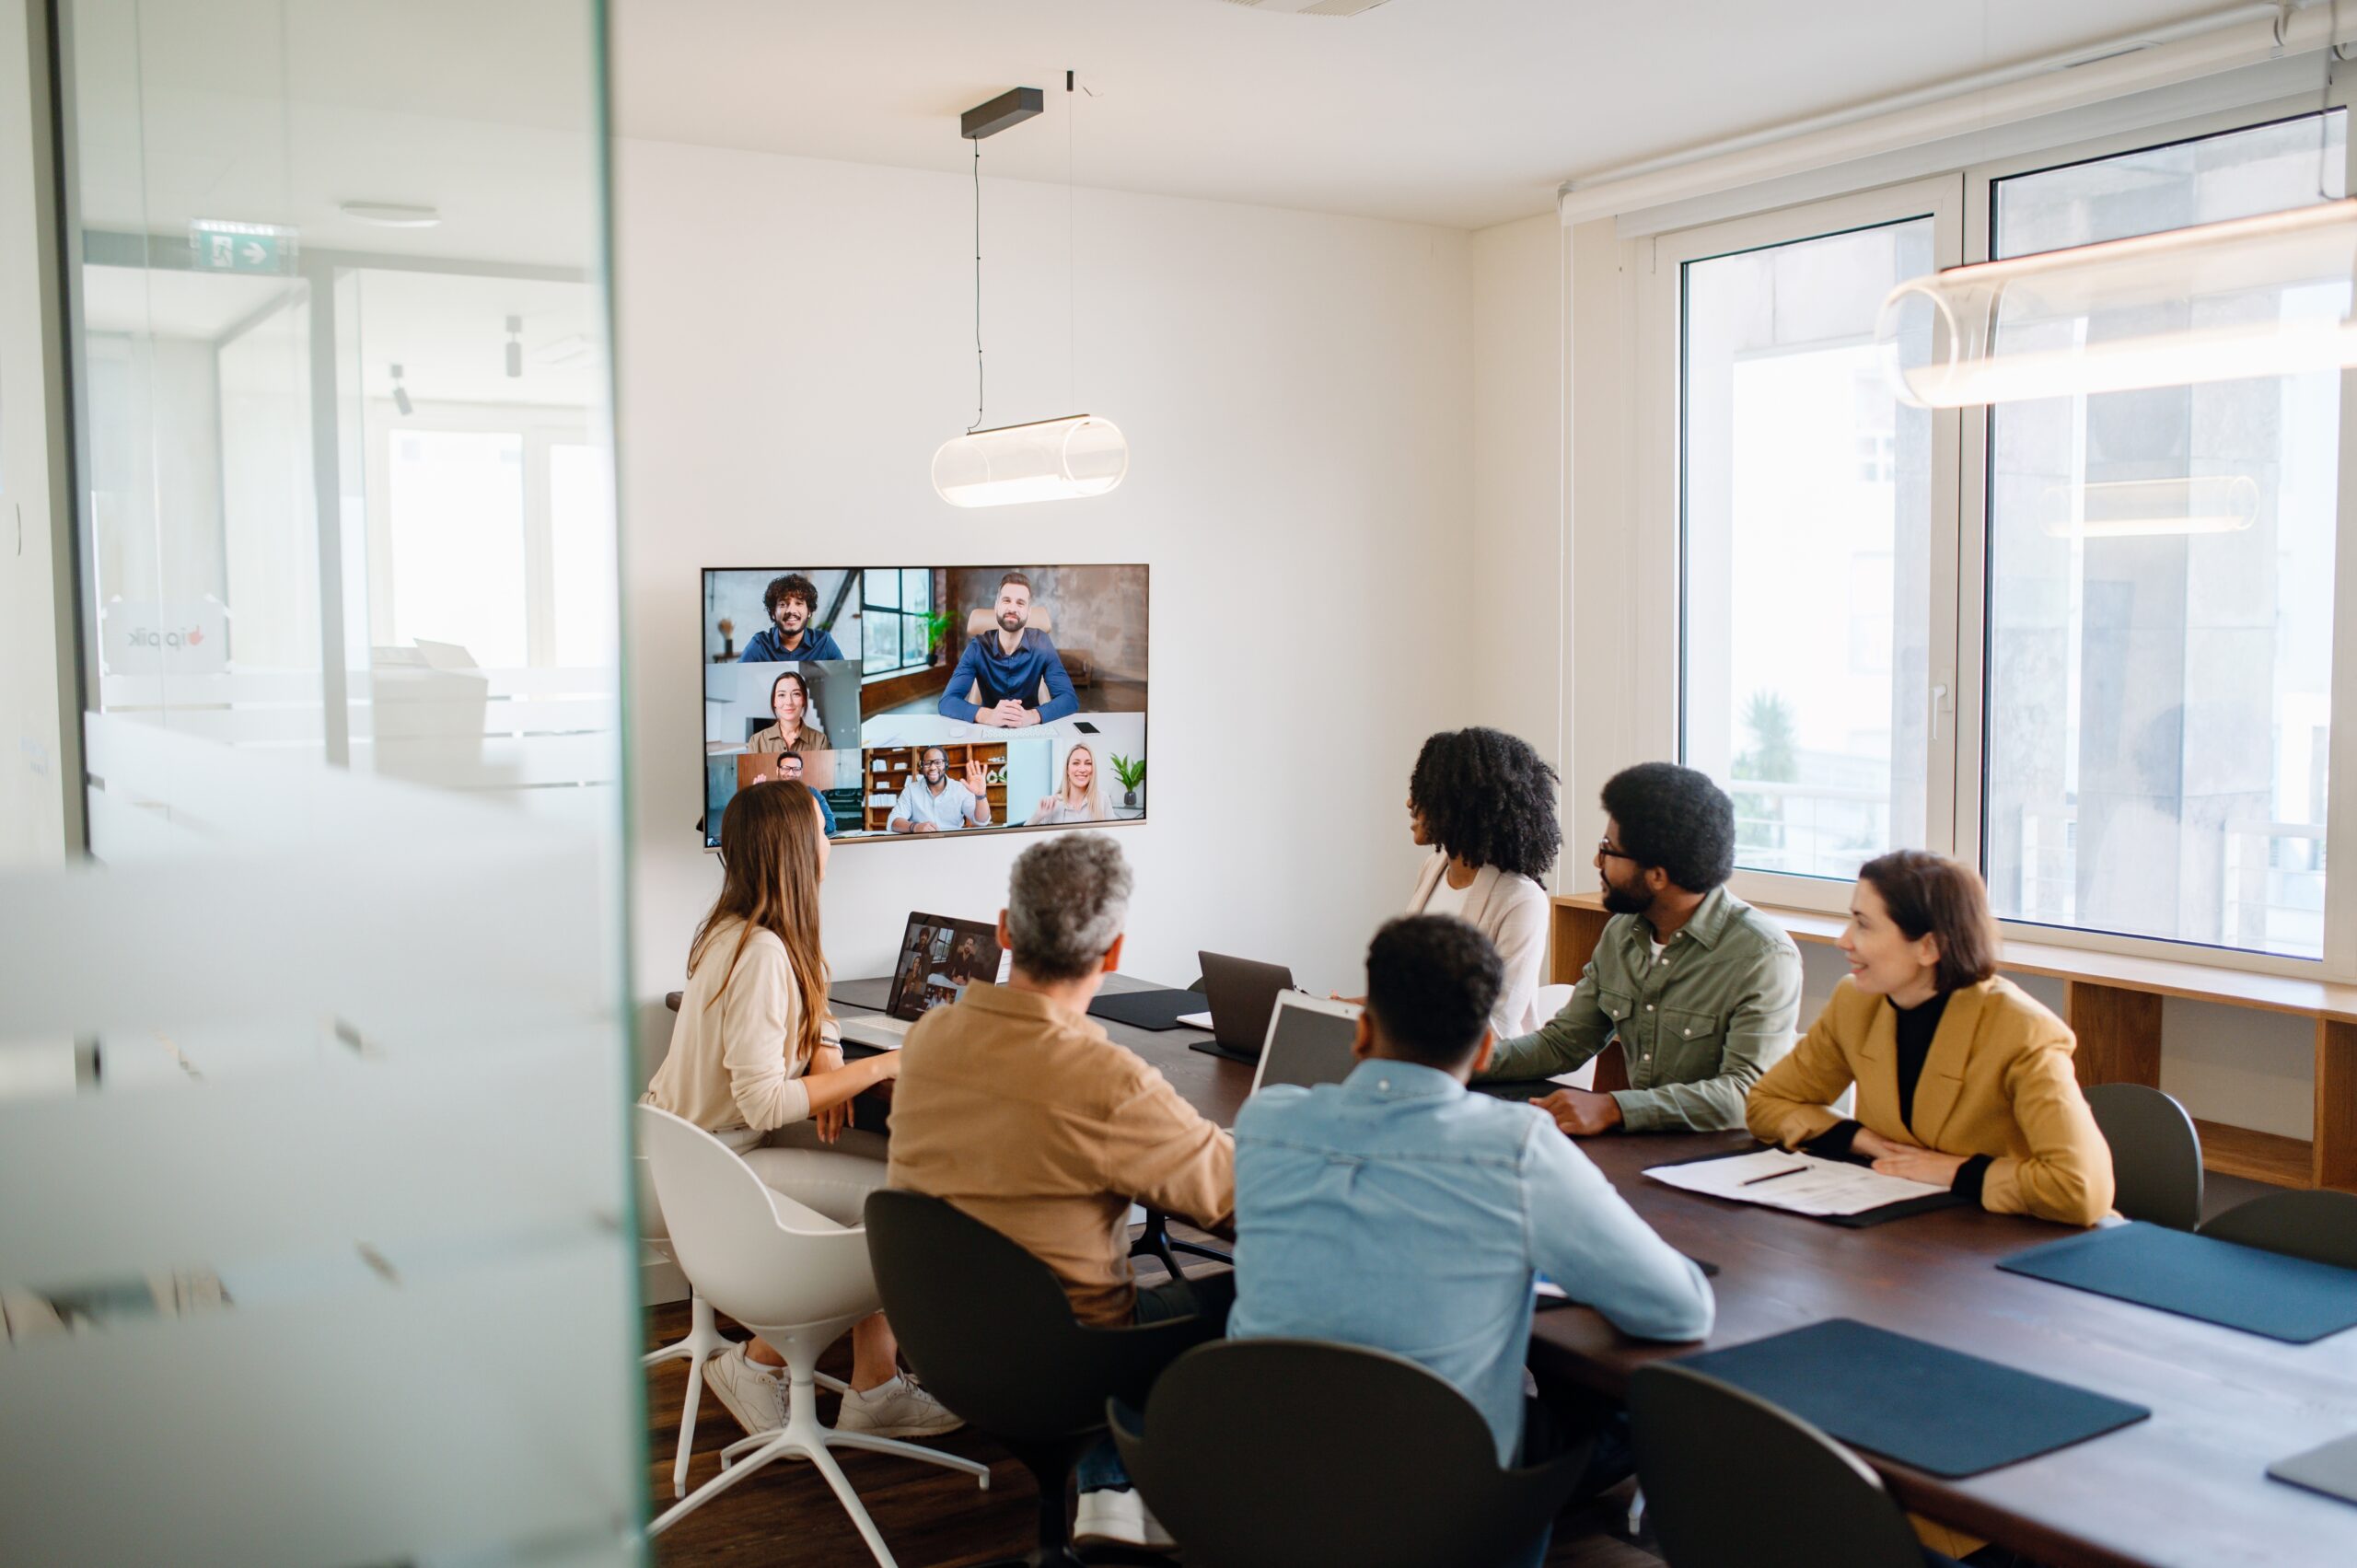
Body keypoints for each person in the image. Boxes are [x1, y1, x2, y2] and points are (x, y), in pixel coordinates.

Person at [1232, 915, 1714, 1568]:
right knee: (1631, 1415)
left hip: (1262, 1466)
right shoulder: (1517, 1147)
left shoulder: (1264, 1120)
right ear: (1487, 1049)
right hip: (1440, 1491)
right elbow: (1678, 1309)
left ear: (1363, 1028)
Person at [887, 834, 1233, 1551]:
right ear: (1114, 953)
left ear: (1005, 928)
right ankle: (1162, 1490)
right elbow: (1236, 1196)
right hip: (1063, 1360)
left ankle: (1112, 1486)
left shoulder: (927, 1039)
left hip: (939, 1342)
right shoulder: (1107, 1080)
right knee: (1239, 1288)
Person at [641, 780, 958, 1440]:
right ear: (794, 847)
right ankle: (760, 1365)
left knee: (906, 1169)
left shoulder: (750, 929)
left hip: (696, 1148)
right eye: (823, 830)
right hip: (715, 1161)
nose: (831, 843)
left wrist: (830, 1059)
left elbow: (815, 1012)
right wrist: (889, 1063)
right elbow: (761, 1100)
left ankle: (874, 1382)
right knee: (905, 1213)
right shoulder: (760, 952)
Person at [1747, 850, 2115, 1228]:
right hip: (1901, 1225)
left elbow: (2082, 1189)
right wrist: (1860, 1138)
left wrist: (1957, 1171)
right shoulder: (1856, 1001)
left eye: (1864, 925)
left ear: (1929, 947)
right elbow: (1767, 1103)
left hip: (2008, 1239)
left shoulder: (2024, 1030)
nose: (1844, 941)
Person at [1478, 761, 1802, 1137]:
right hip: (1642, 1147)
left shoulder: (1762, 955)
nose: (1597, 861)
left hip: (1721, 1160)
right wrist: (1469, 1062)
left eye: (1608, 850)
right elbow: (1565, 1043)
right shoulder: (1622, 931)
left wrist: (1615, 1106)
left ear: (1658, 876)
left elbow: (1745, 1095)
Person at [1400, 727, 1561, 1038]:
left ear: (1462, 804)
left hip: (1482, 1068)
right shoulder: (1433, 869)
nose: (1410, 802)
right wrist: (1350, 1008)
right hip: (1413, 1052)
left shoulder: (1521, 899)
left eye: (1424, 793)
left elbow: (1497, 1022)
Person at [936, 572, 1078, 726]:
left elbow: (1069, 699)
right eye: (1006, 600)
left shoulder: (1042, 642)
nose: (1012, 608)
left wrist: (1033, 716)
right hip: (988, 728)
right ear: (996, 606)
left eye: (1020, 603)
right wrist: (987, 715)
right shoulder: (977, 647)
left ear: (1028, 611)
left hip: (1029, 728)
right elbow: (947, 701)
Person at [739, 572, 845, 662]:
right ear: (773, 613)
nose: (791, 611)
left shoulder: (824, 642)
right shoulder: (759, 644)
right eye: (783, 604)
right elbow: (737, 679)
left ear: (809, 611)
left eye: (798, 603)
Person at [887, 747, 991, 832]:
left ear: (946, 765)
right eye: (927, 763)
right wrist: (915, 827)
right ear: (922, 767)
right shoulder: (910, 790)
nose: (932, 767)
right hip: (920, 845)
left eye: (938, 762)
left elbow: (981, 822)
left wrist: (980, 795)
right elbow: (893, 822)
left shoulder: (960, 789)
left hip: (953, 845)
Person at [749, 751, 837, 835]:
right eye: (786, 768)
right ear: (777, 770)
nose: (791, 774)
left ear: (801, 772)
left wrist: (801, 834)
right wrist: (756, 799)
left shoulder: (812, 793)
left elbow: (831, 824)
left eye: (796, 769)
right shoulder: (767, 794)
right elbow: (754, 826)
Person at [745, 668, 827, 755]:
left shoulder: (821, 741)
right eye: (781, 695)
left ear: (803, 700)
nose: (789, 702)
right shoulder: (756, 741)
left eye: (796, 694)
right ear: (774, 702)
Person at [1031, 740, 1110, 824]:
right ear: (1067, 770)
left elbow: (1116, 834)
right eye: (1076, 763)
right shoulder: (1052, 804)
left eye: (1088, 763)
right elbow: (1021, 835)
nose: (1082, 770)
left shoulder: (1103, 799)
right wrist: (1037, 816)